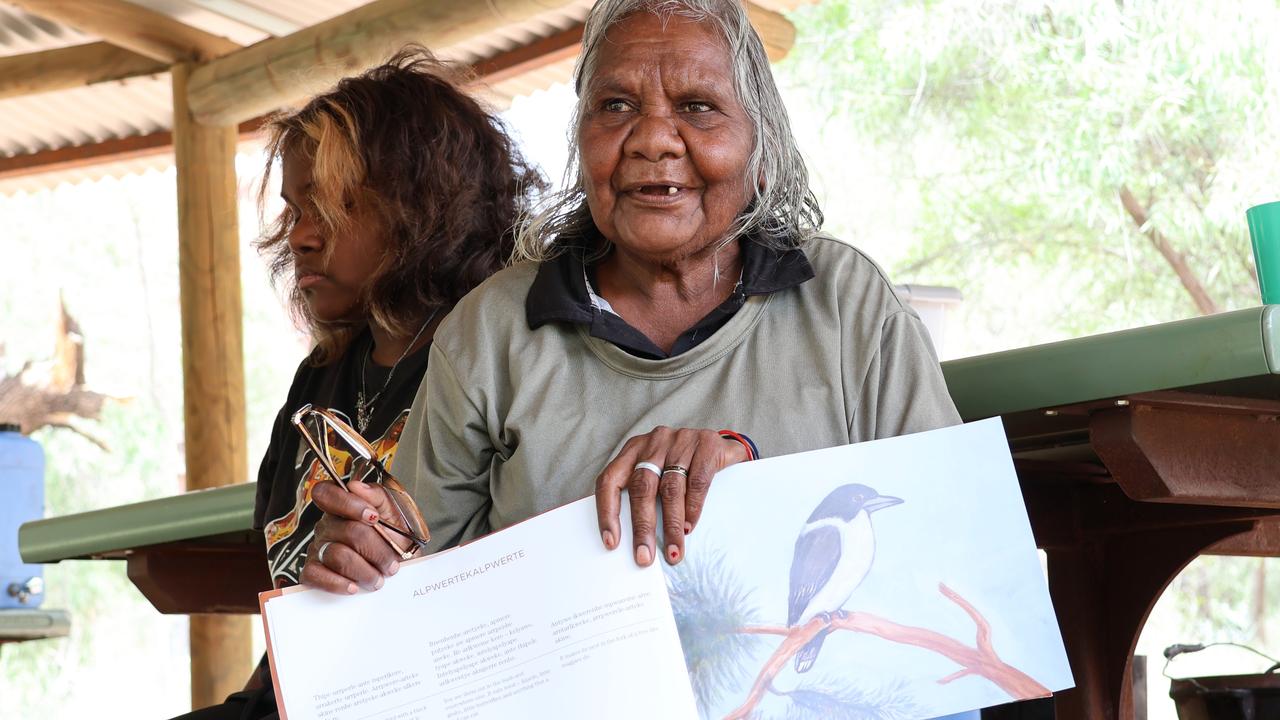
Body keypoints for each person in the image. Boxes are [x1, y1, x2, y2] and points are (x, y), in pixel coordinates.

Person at [308, 0, 958, 585]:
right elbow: (424, 572)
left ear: (762, 151)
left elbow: (945, 526)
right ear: (582, 143)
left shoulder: (845, 303)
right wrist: (371, 560)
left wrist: (751, 476)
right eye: (615, 106)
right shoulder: (493, 330)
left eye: (697, 107)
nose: (651, 139)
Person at [177, 47, 542, 719]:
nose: (301, 238)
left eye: (330, 205)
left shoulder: (497, 363)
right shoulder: (321, 377)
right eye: (294, 210)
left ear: (420, 206)